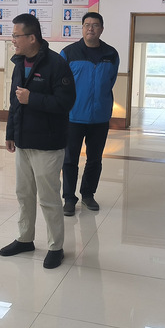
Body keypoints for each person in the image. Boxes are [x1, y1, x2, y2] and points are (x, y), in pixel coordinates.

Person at [0, 13, 75, 269]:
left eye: (16, 36)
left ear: (32, 37)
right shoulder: (19, 63)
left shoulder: (57, 64)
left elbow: (65, 103)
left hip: (48, 144)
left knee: (49, 198)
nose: (13, 40)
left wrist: (33, 98)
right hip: (23, 141)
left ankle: (56, 246)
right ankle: (25, 239)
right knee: (24, 194)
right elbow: (15, 102)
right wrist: (10, 133)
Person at [60, 12, 119, 216]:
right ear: (82, 28)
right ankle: (69, 198)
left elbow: (110, 81)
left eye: (95, 25)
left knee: (94, 159)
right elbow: (62, 84)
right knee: (70, 159)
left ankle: (88, 194)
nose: (90, 28)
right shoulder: (69, 53)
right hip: (73, 116)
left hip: (100, 117)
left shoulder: (111, 54)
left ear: (102, 29)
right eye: (87, 25)